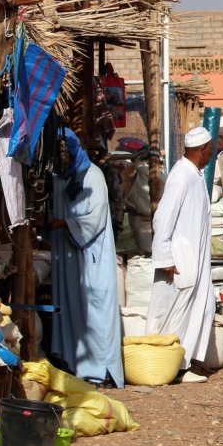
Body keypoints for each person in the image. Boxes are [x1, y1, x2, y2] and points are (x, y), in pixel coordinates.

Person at [50, 128, 125, 387]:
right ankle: (76, 365)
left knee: (96, 314)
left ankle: (102, 371)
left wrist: (64, 224)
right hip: (70, 260)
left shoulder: (92, 177)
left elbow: (94, 219)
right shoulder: (64, 179)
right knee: (74, 312)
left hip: (92, 258)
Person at [146, 127, 216, 383]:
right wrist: (164, 256)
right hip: (180, 258)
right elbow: (163, 218)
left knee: (204, 306)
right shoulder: (181, 176)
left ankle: (187, 361)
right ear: (201, 149)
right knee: (176, 314)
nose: (212, 153)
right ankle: (172, 366)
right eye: (210, 149)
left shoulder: (194, 174)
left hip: (195, 258)